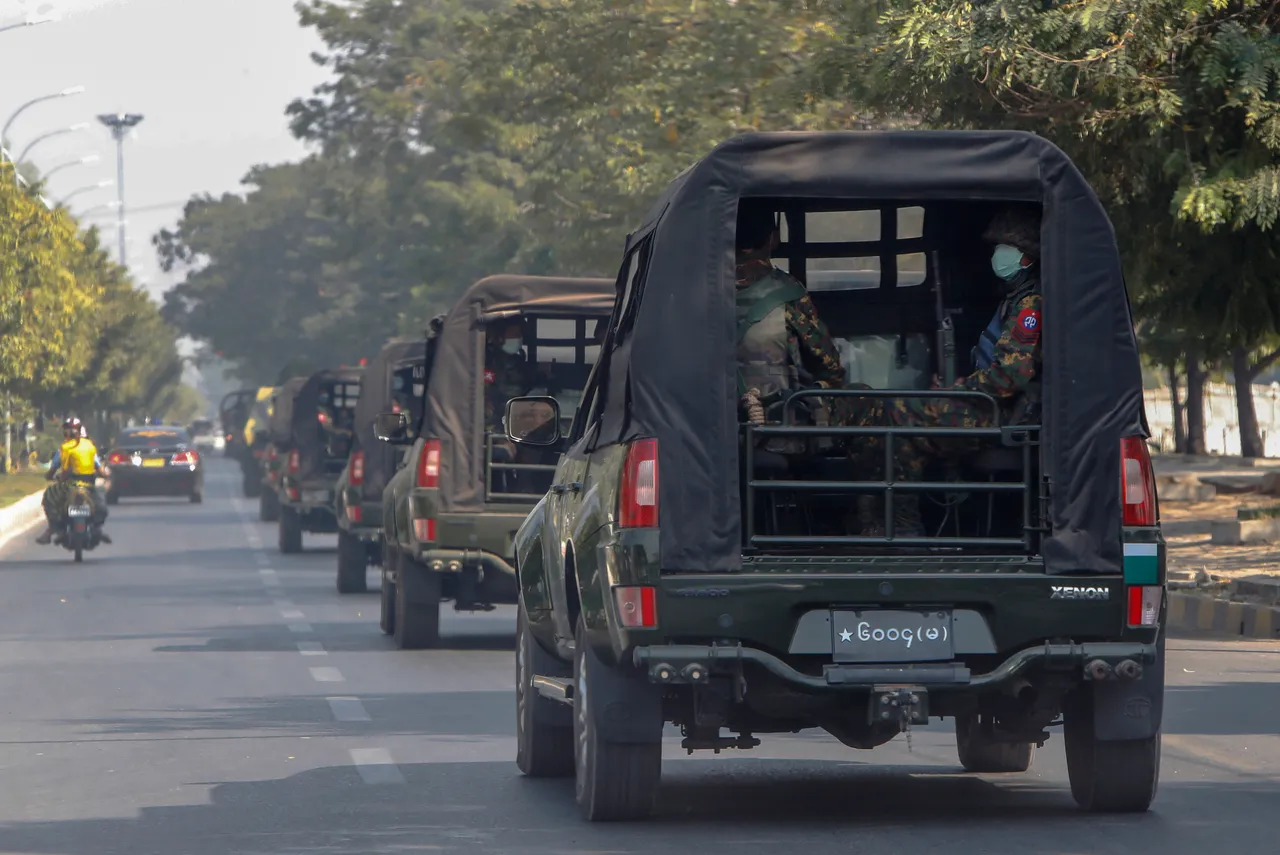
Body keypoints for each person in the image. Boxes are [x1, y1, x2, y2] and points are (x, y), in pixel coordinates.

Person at [853, 204, 1044, 536]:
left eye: (1007, 249)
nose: (998, 255)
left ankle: (902, 524)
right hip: (989, 406)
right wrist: (963, 386)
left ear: (1027, 257)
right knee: (889, 413)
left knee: (899, 413)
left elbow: (1011, 376)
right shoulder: (1015, 300)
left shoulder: (1030, 306)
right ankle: (880, 517)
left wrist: (962, 391)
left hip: (1003, 415)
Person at [734, 200, 853, 452]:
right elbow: (828, 364)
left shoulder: (698, 292)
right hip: (779, 429)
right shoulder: (788, 293)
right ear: (773, 239)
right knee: (865, 399)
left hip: (715, 433)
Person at [36, 418, 111, 545]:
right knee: (100, 503)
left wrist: (52, 477)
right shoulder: (90, 446)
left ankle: (52, 529)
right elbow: (99, 469)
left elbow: (62, 472)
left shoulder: (64, 449)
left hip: (70, 485)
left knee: (49, 497)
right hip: (89, 485)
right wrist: (106, 476)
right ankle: (97, 529)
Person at [484, 320, 531, 493]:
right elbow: (486, 403)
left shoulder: (518, 362)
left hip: (519, 423)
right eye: (514, 333)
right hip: (497, 428)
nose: (518, 338)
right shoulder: (488, 362)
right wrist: (499, 437)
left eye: (520, 334)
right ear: (500, 336)